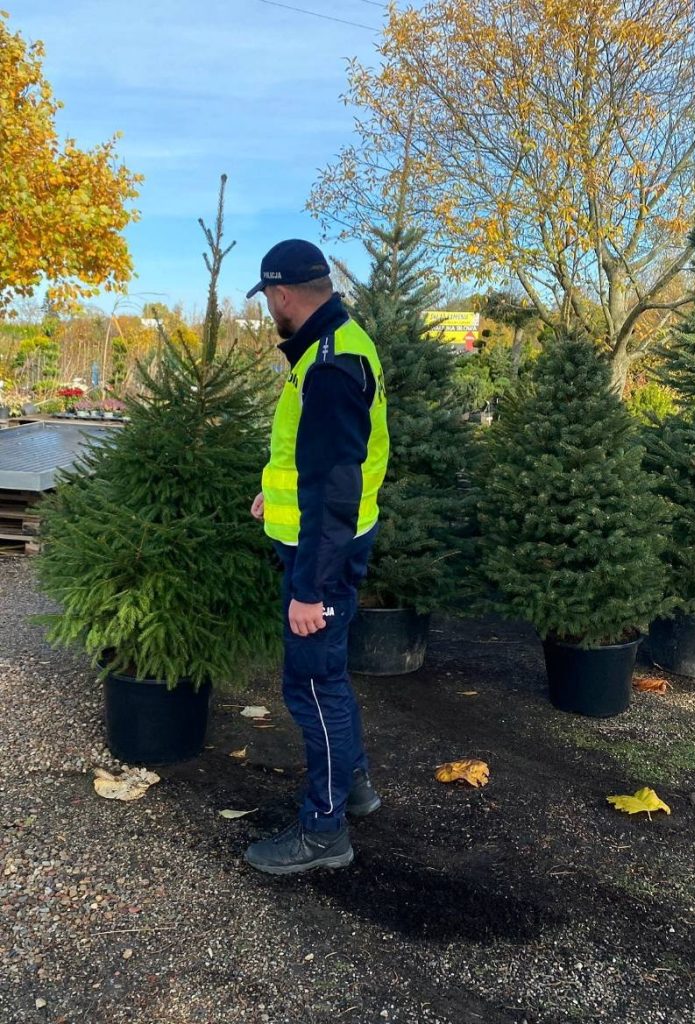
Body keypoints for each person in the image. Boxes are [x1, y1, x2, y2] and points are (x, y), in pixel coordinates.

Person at [243, 239, 389, 875]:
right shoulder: (335, 344)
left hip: (323, 554)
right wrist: (274, 493)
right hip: (328, 540)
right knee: (327, 677)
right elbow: (313, 458)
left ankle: (325, 831)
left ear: (281, 295)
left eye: (268, 300)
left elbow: (334, 485)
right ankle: (353, 787)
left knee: (311, 685)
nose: (270, 310)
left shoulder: (329, 364)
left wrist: (311, 589)